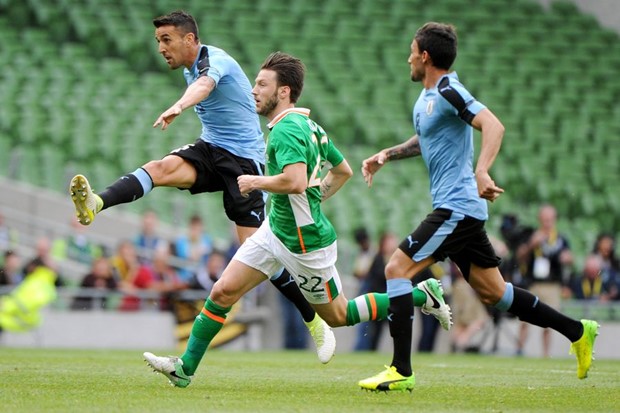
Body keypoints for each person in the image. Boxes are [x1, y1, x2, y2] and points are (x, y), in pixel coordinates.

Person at [143, 51, 452, 388]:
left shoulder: (287, 131)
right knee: (222, 292)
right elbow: (342, 170)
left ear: (284, 91)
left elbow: (295, 181)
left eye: (262, 84)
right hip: (275, 231)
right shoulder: (308, 123)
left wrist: (255, 182)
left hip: (305, 244)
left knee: (339, 315)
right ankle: (185, 368)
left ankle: (424, 295)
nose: (254, 91)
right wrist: (313, 197)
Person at [67, 10, 328, 356]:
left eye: (166, 39)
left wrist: (179, 106)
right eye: (158, 40)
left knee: (259, 253)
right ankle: (96, 203)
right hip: (211, 149)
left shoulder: (214, 61)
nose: (161, 47)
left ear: (190, 39)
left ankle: (314, 319)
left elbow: (205, 86)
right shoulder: (190, 66)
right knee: (159, 168)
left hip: (244, 163)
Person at [358, 22, 599, 392]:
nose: (408, 57)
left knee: (396, 268)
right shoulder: (427, 98)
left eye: (411, 50)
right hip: (460, 211)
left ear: (425, 56)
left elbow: (493, 125)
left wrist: (482, 171)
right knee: (496, 294)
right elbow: (425, 139)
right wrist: (387, 155)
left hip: (456, 208)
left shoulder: (450, 89)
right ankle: (578, 331)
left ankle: (400, 370)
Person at [516, 204, 573, 357]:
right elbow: (520, 257)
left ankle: (546, 354)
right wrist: (531, 245)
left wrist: (567, 259)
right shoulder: (532, 235)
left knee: (550, 322)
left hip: (552, 285)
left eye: (550, 219)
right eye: (545, 219)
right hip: (534, 283)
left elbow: (570, 259)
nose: (547, 222)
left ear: (555, 220)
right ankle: (519, 349)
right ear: (539, 219)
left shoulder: (561, 239)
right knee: (525, 319)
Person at [354, 231, 397, 351]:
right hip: (377, 298)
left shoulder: (396, 259)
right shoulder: (378, 258)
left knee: (387, 329)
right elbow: (374, 276)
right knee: (371, 329)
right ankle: (365, 350)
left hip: (391, 299)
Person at [172, 213, 213, 283]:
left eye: (198, 227)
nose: (196, 230)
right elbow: (189, 257)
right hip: (184, 276)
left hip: (202, 276)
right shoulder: (181, 241)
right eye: (194, 227)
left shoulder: (207, 240)